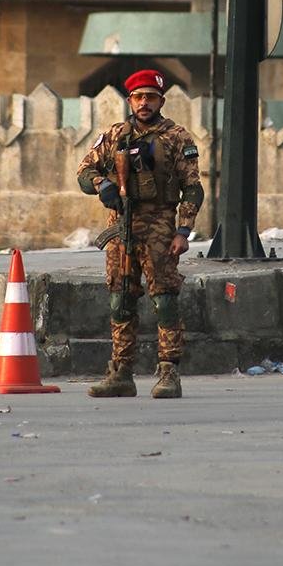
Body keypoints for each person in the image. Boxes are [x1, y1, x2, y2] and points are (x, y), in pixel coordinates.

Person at [76, 70, 203, 399]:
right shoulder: (115, 135)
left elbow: (192, 188)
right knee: (120, 299)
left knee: (164, 299)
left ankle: (169, 371)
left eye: (150, 97)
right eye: (138, 97)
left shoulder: (176, 137)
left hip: (159, 225)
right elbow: (85, 170)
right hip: (121, 226)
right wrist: (101, 184)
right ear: (130, 100)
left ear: (161, 101)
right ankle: (121, 372)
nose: (144, 103)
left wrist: (183, 230)